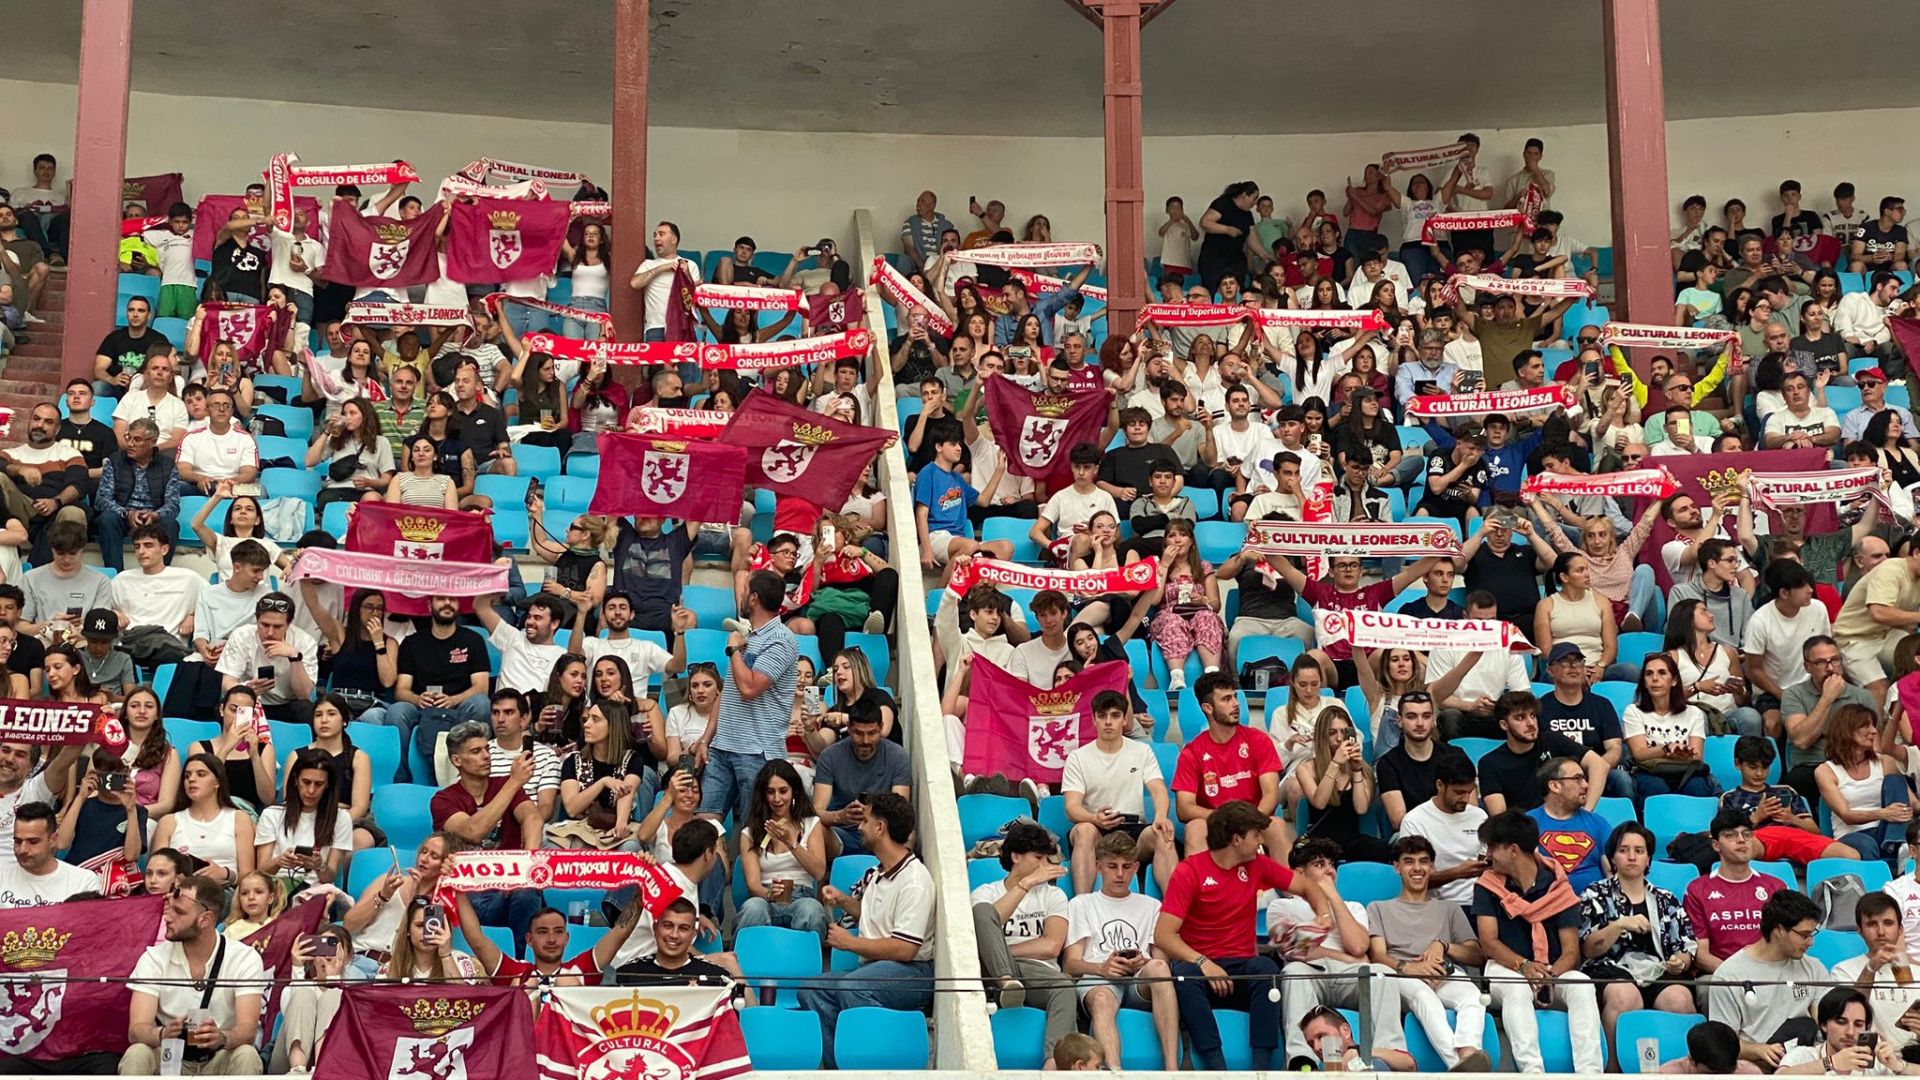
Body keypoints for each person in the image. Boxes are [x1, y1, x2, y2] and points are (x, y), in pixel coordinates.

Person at [1155, 800, 1325, 1070]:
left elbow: (1306, 886)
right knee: (1185, 977)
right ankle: (1217, 1070)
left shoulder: (1258, 864)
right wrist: (1203, 962)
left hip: (1242, 968)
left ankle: (1260, 1070)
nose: (1261, 841)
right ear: (1236, 839)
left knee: (1267, 968)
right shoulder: (1190, 871)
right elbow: (1163, 935)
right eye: (1256, 835)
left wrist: (1322, 916)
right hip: (1202, 967)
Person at [796, 792, 934, 1069]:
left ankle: (870, 1064)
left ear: (880, 828)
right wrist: (845, 901)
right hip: (876, 970)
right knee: (810, 987)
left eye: (866, 821)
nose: (859, 827)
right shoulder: (878, 871)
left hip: (914, 974)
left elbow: (906, 949)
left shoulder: (915, 879)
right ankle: (841, 1070)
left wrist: (850, 943)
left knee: (853, 986)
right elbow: (873, 916)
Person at [1472, 810, 1604, 1074]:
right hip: (1505, 968)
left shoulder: (1559, 886)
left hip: (1551, 972)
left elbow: (1570, 951)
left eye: (1492, 848)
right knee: (1517, 987)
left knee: (1581, 984)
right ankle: (1533, 1072)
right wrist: (1524, 967)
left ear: (1513, 850)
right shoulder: (1486, 885)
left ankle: (1590, 1073)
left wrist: (1547, 975)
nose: (1487, 856)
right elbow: (1489, 942)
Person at [1267, 838, 1414, 1069]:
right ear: (1299, 873)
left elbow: (1357, 946)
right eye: (1319, 864)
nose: (1329, 871)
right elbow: (1293, 949)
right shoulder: (1283, 906)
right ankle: (1302, 1060)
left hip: (1349, 976)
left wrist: (1333, 898)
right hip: (1311, 973)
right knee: (1294, 971)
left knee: (1381, 973)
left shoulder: (1353, 906)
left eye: (1331, 864)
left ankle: (1387, 1056)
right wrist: (1346, 957)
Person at [1366, 834, 1492, 1071]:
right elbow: (1378, 955)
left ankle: (1468, 1051)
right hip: (1400, 976)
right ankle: (1460, 1066)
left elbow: (1476, 954)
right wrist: (1409, 969)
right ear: (1397, 867)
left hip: (1443, 973)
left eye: (1424, 861)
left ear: (1432, 867)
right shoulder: (1378, 908)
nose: (1417, 868)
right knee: (1427, 1000)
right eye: (1409, 861)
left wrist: (1443, 946)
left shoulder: (1449, 909)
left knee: (1473, 996)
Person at [120, 876, 266, 1075]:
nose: (167, 917)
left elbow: (248, 1031)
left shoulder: (244, 958)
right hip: (170, 1057)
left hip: (218, 1057)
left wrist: (221, 1038)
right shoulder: (154, 957)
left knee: (246, 1054)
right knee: (137, 1053)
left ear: (205, 920)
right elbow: (136, 1030)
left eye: (179, 912)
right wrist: (162, 1033)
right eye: (169, 908)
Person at [1062, 830, 1180, 1071]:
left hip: (1139, 978)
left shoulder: (1151, 906)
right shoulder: (1081, 904)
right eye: (1112, 866)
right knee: (1103, 998)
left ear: (1136, 867)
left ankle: (1172, 1069)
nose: (1119, 874)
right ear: (1098, 867)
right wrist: (1102, 968)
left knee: (1158, 967)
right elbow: (1070, 964)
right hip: (1098, 978)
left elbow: (1160, 960)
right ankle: (1114, 1071)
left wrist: (1141, 961)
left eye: (1126, 867)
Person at [429, 721, 544, 954]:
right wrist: (514, 782)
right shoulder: (443, 800)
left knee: (527, 892)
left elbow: (533, 819)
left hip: (510, 884)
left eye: (487, 750)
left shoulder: (502, 785)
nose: (486, 756)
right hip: (472, 893)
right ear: (457, 761)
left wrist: (526, 866)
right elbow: (473, 831)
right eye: (476, 751)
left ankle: (522, 966)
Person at [1579, 821, 1698, 1044]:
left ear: (1649, 859)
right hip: (1609, 970)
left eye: (1639, 851)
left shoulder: (1666, 898)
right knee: (1625, 996)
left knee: (1679, 999)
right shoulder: (1595, 894)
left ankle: (1680, 1070)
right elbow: (1588, 948)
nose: (1632, 857)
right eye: (1623, 851)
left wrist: (1680, 963)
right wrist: (1619, 925)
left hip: (1657, 970)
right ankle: (1612, 1071)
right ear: (1613, 858)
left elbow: (1686, 946)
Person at [971, 820, 1077, 1061]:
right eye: (1038, 858)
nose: (1045, 865)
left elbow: (1051, 946)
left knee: (1065, 986)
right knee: (982, 912)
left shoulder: (1054, 895)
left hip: (1038, 973)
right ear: (1016, 856)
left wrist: (998, 949)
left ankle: (1054, 1063)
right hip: (992, 974)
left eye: (1046, 859)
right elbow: (987, 923)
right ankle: (1006, 981)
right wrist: (1025, 884)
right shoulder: (986, 892)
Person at [703, 570, 800, 821]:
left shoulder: (782, 639)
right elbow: (728, 694)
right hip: (721, 748)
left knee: (752, 832)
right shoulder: (749, 637)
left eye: (745, 591)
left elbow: (749, 689)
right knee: (704, 828)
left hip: (757, 753)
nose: (742, 596)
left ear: (754, 598)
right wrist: (706, 739)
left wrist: (734, 649)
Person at [1061, 690, 1176, 894]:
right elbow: (1071, 808)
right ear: (1094, 720)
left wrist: (1160, 817)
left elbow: (1159, 790)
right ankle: (1082, 904)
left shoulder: (1142, 751)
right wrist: (1094, 818)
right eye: (1102, 716)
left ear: (1124, 720)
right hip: (1097, 830)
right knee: (1083, 830)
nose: (1108, 722)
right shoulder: (1077, 757)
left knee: (1162, 833)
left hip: (1134, 829)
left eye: (1115, 716)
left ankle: (1174, 912)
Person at [1171, 671, 1289, 856]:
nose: (1235, 704)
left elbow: (1271, 794)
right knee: (1195, 828)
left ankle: (1288, 885)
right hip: (1215, 824)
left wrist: (1248, 822)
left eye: (1235, 696)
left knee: (1278, 826)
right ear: (1208, 708)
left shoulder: (1258, 739)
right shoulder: (1192, 752)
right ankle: (1201, 885)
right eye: (1226, 699)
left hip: (1254, 821)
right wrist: (1226, 820)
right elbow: (1184, 809)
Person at [1708, 889, 1831, 1066]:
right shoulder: (1729, 974)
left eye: (1812, 934)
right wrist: (1759, 1049)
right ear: (1779, 929)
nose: (1811, 942)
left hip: (1806, 1063)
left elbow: (1826, 1023)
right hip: (1757, 1066)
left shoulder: (1814, 967)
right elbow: (1723, 1042)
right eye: (1804, 935)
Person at [385, 595, 493, 781]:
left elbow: (481, 687)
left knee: (481, 704)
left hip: (460, 707)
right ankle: (401, 778)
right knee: (397, 711)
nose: (447, 603)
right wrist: (417, 699)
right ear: (429, 605)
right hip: (422, 706)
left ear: (459, 605)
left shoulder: (473, 640)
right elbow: (401, 690)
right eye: (441, 599)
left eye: (453, 599)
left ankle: (471, 774)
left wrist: (453, 700)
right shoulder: (412, 642)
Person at [1722, 735, 1859, 865]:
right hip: (1758, 837)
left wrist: (1791, 818)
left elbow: (1815, 831)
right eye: (1753, 767)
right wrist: (1757, 816)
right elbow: (1728, 838)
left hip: (1795, 836)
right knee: (1740, 850)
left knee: (1851, 855)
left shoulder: (1786, 791)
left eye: (1765, 767)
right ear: (1738, 764)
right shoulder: (1730, 798)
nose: (1759, 773)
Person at [1684, 810, 1791, 972]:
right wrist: (1737, 977)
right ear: (1716, 845)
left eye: (1747, 834)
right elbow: (1701, 955)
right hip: (1720, 975)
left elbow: (1787, 942)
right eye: (1731, 835)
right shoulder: (1697, 890)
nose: (1741, 840)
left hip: (1770, 973)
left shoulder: (1777, 887)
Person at [1784, 636, 1882, 801]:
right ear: (1807, 667)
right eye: (1821, 662)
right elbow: (1801, 740)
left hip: (1855, 765)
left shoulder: (1861, 696)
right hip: (1813, 766)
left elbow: (1875, 746)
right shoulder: (1794, 694)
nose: (1830, 668)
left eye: (1835, 660)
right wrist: (1827, 698)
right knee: (1797, 780)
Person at [1479, 691, 1608, 815]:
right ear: (1504, 724)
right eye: (1520, 718)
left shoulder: (1552, 740)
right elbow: (1500, 816)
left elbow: (1600, 765)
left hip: (1563, 821)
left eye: (1533, 716)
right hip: (1524, 829)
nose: (1530, 723)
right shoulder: (1490, 763)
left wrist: (1586, 811)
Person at [1816, 702, 1916, 863]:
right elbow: (1846, 815)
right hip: (1852, 836)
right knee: (1866, 844)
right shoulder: (1825, 771)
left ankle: (1898, 845)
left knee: (1895, 781)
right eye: (1866, 726)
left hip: (1886, 831)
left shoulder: (1885, 762)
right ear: (1847, 730)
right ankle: (1887, 869)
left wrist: (1907, 810)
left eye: (1874, 725)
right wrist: (1883, 813)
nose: (1874, 731)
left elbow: (1912, 802)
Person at [811, 706, 911, 857]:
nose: (865, 741)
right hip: (843, 832)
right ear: (849, 728)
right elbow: (816, 812)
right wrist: (840, 816)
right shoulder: (830, 756)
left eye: (872, 733)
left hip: (883, 831)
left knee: (910, 836)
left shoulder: (897, 756)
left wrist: (872, 816)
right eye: (858, 733)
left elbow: (901, 810)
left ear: (881, 728)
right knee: (815, 828)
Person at [254, 748, 352, 891]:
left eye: (318, 784)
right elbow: (262, 870)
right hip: (276, 889)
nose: (311, 791)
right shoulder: (271, 814)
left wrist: (318, 865)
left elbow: (329, 877)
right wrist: (279, 861)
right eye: (306, 782)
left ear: (328, 785)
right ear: (295, 780)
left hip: (316, 891)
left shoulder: (341, 818)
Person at [150, 752, 255, 886]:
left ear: (218, 782)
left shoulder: (239, 818)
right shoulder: (169, 822)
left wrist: (225, 874)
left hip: (224, 890)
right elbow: (155, 871)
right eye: (187, 776)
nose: (191, 779)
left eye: (201, 774)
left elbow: (248, 876)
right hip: (179, 891)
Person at [1776, 986, 1920, 1076]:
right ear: (1824, 1024)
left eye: (1858, 1024)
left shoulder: (1876, 1064)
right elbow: (1777, 1077)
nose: (1850, 1032)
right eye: (1841, 1022)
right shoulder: (1803, 1055)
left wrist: (1898, 1065)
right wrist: (1831, 1063)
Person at [0, 800, 95, 907]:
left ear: (53, 839)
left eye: (33, 842)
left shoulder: (84, 882)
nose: (23, 850)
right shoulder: (2, 878)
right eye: (18, 841)